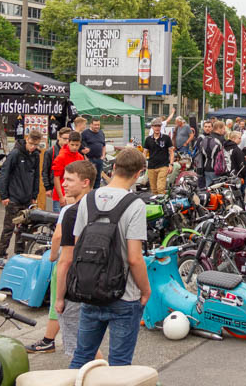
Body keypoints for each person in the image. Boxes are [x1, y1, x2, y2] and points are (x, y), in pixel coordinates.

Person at [67, 149, 150, 368]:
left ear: (113, 168)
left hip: (90, 289)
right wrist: (145, 290)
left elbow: (78, 244)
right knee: (119, 364)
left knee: (82, 356)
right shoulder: (135, 205)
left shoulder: (88, 200)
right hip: (124, 293)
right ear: (139, 173)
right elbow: (134, 258)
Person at [30, 160, 98, 357]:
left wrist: (59, 297)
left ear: (85, 182)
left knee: (81, 349)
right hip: (95, 280)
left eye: (69, 180)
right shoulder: (100, 205)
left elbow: (63, 253)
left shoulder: (71, 211)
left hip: (73, 282)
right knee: (86, 345)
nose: (63, 184)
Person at [0, 130, 43, 268]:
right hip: (13, 198)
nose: (33, 147)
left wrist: (34, 195)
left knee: (23, 228)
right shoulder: (15, 153)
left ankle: (19, 254)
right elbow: (4, 174)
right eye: (31, 143)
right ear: (27, 139)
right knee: (8, 228)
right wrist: (4, 195)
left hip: (27, 198)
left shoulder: (35, 155)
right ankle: (2, 255)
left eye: (36, 144)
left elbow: (36, 177)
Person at [52, 132, 85, 209]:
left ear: (80, 144)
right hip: (62, 194)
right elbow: (56, 178)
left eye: (77, 145)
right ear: (68, 143)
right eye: (72, 145)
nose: (74, 147)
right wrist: (61, 197)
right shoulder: (61, 157)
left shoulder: (80, 157)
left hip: (75, 195)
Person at [143, 120, 174, 195]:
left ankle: (163, 204)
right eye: (155, 126)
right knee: (154, 189)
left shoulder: (166, 138)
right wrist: (142, 164)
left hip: (163, 166)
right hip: (151, 167)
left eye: (159, 126)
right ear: (152, 127)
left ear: (161, 127)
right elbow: (144, 152)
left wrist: (171, 164)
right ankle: (157, 205)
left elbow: (171, 152)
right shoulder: (148, 139)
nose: (157, 128)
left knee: (160, 188)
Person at [42, 128, 70, 211]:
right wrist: (47, 188)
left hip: (67, 184)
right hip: (54, 185)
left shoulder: (70, 150)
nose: (67, 141)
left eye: (69, 139)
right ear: (59, 137)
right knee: (57, 212)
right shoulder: (51, 151)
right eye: (65, 138)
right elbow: (45, 170)